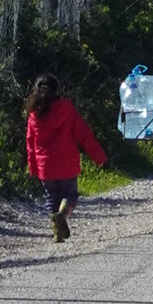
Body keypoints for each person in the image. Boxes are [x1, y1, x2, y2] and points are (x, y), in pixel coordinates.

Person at [25, 75, 106, 242]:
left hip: (45, 166)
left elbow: (30, 143)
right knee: (70, 196)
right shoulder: (66, 108)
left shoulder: (35, 114)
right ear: (57, 90)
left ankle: (57, 232)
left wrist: (32, 166)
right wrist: (99, 157)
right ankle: (62, 215)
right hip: (67, 163)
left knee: (51, 197)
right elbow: (83, 134)